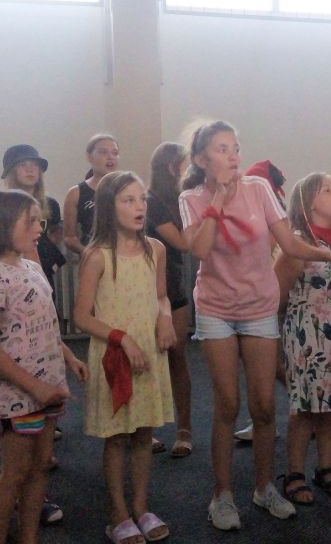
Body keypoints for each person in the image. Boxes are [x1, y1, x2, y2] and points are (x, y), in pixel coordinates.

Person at [178, 120, 331, 529]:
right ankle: (222, 496)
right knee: (227, 404)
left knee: (264, 405)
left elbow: (288, 243)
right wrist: (219, 199)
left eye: (235, 147)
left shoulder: (258, 189)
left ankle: (263, 487)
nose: (233, 155)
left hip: (259, 306)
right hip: (216, 308)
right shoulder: (191, 197)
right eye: (222, 149)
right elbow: (200, 249)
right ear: (201, 159)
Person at [0, 190, 89, 544]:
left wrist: (68, 357)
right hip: (17, 396)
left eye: (41, 220)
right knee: (16, 472)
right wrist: (34, 386)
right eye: (32, 221)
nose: (41, 227)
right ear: (3, 225)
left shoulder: (33, 268)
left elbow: (47, 325)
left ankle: (29, 537)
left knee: (40, 466)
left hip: (49, 386)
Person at [74, 171, 175, 544]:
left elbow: (161, 296)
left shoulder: (155, 249)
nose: (139, 207)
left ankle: (141, 506)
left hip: (148, 353)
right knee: (117, 438)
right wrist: (122, 338)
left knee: (145, 433)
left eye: (142, 199)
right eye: (128, 200)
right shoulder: (96, 256)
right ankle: (118, 513)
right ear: (108, 206)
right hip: (114, 355)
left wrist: (165, 318)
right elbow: (82, 315)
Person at [273, 173, 331, 504]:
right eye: (327, 189)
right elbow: (276, 297)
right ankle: (295, 473)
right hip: (308, 340)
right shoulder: (297, 244)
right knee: (305, 409)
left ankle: (326, 467)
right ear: (309, 203)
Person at [233, 159, 287, 443]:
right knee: (268, 365)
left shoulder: (269, 210)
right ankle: (304, 410)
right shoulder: (269, 206)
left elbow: (263, 251)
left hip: (264, 294)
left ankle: (308, 411)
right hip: (258, 293)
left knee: (271, 365)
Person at [147, 142, 194, 457]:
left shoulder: (178, 198)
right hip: (147, 288)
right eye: (185, 165)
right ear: (171, 167)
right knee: (149, 358)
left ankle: (184, 428)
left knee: (177, 355)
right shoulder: (152, 201)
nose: (189, 171)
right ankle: (144, 429)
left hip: (173, 285)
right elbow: (183, 242)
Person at [1, 144, 66, 295]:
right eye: (22, 165)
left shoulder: (50, 204)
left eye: (35, 165)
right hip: (13, 272)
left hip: (44, 269)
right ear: (12, 171)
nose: (30, 170)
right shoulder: (1, 205)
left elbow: (54, 233)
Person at [63, 134, 120, 255]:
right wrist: (88, 254)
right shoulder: (75, 193)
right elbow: (70, 238)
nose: (110, 157)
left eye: (115, 153)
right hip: (93, 255)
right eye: (103, 152)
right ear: (90, 156)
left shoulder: (127, 189)